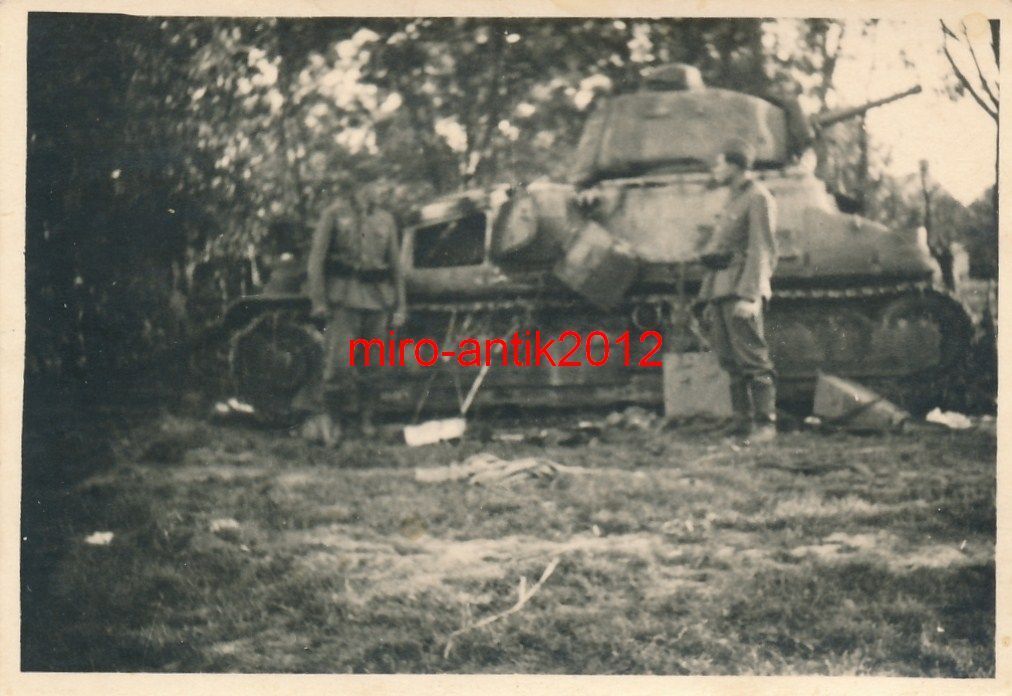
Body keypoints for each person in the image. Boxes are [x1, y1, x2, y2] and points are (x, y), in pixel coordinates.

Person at [302, 178, 406, 445]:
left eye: (379, 186)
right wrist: (319, 300)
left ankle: (366, 420)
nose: (378, 191)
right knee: (339, 365)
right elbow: (316, 260)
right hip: (343, 299)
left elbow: (396, 266)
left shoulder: (386, 219)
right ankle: (335, 422)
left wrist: (400, 305)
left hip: (377, 299)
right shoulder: (335, 214)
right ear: (358, 187)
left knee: (374, 365)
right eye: (372, 185)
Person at [696, 138, 779, 444]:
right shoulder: (733, 198)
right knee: (730, 359)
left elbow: (762, 248)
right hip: (720, 287)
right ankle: (741, 422)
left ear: (735, 165)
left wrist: (751, 294)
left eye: (719, 163)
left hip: (740, 287)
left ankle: (765, 425)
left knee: (752, 358)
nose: (715, 170)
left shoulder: (758, 197)